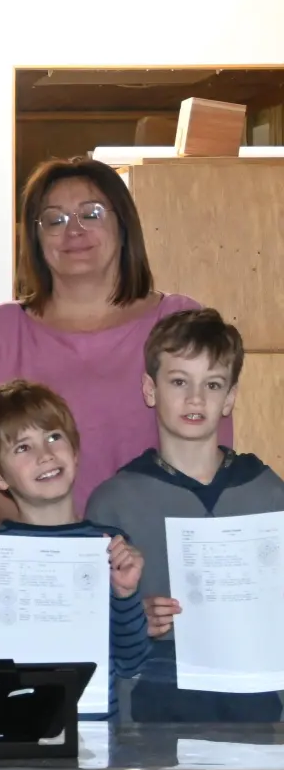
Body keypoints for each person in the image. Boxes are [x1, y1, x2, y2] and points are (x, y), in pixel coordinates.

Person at [0, 156, 221, 526]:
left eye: (91, 214)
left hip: (157, 557)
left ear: (123, 225)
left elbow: (213, 447)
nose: (73, 231)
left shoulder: (176, 321)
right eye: (54, 219)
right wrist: (52, 535)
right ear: (35, 236)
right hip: (39, 561)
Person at [87, 309, 284, 722]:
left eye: (212, 384)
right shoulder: (113, 502)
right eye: (179, 381)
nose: (195, 398)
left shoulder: (269, 494)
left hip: (263, 710)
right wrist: (131, 616)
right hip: (155, 711)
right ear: (150, 388)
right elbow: (89, 632)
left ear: (230, 397)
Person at [0, 380, 148, 719]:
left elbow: (132, 662)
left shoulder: (110, 550)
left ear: (75, 449)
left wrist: (126, 596)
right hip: (11, 733)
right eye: (22, 448)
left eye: (54, 437)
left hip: (96, 735)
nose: (45, 455)